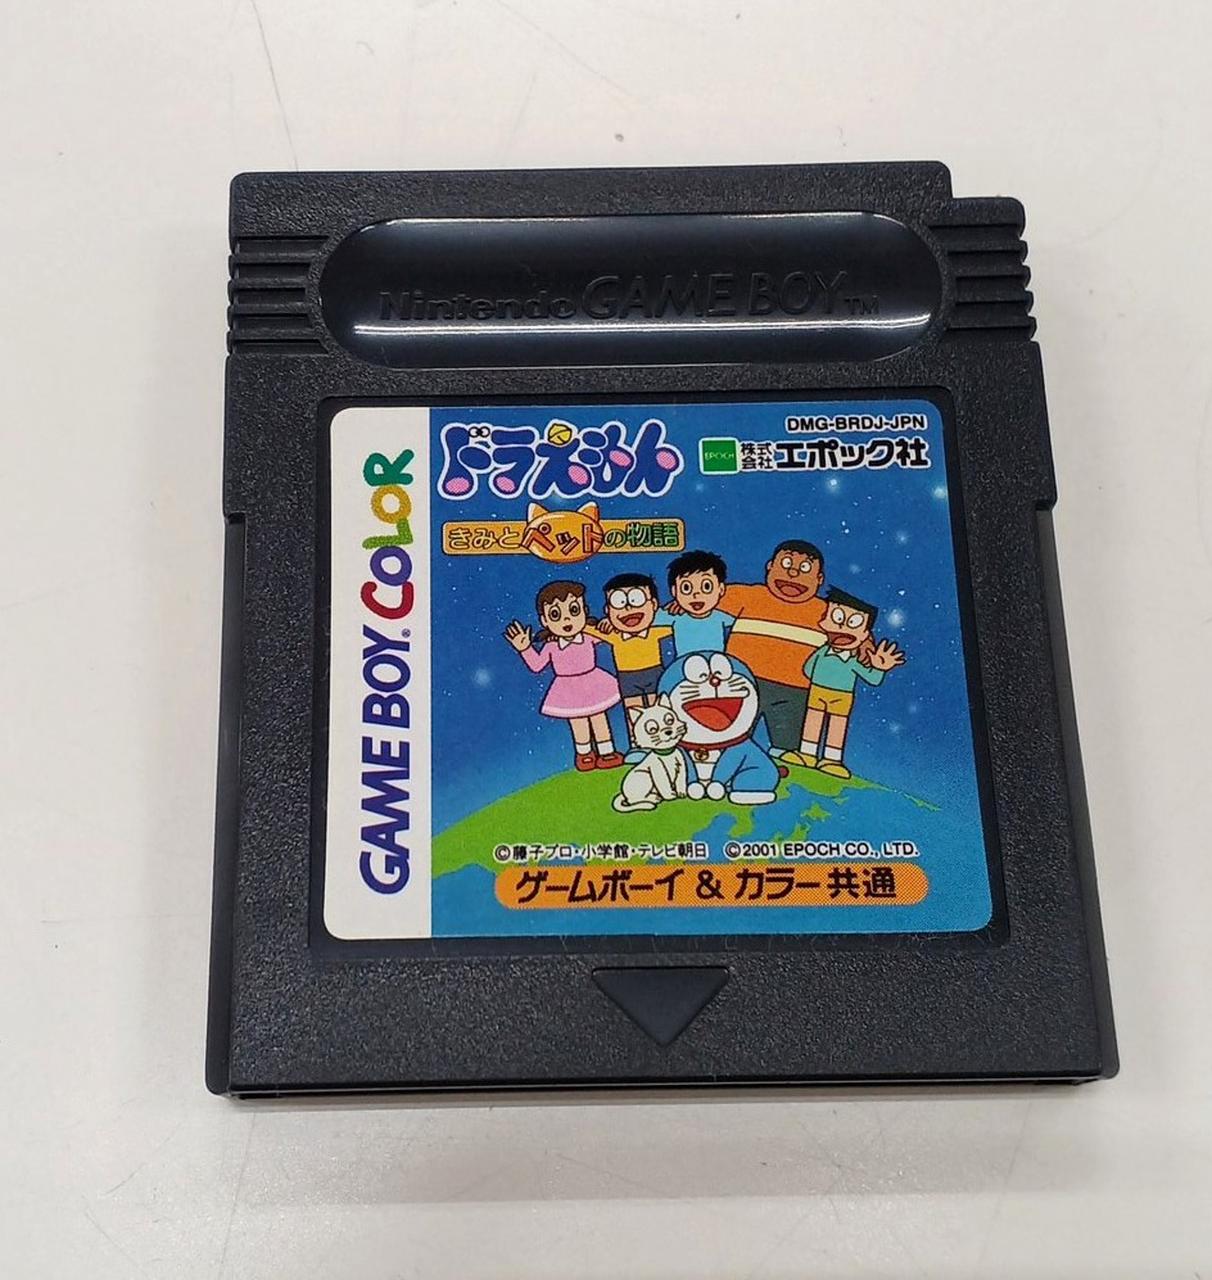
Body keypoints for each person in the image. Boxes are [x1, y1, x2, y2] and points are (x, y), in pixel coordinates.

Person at [503, 580, 624, 772]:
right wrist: (525, 648)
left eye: (574, 610)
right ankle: (584, 754)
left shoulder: (589, 636)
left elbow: (612, 638)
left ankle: (607, 751)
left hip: (593, 682)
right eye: (555, 614)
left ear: (584, 611)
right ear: (544, 621)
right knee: (578, 722)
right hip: (568, 689)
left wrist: (610, 624)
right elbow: (537, 666)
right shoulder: (551, 646)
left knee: (599, 717)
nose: (566, 619)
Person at [722, 540, 829, 756]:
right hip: (742, 682)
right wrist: (680, 605)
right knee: (728, 737)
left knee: (788, 747)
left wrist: (866, 649)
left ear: (819, 579)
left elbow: (854, 632)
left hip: (795, 689)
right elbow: (706, 598)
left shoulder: (825, 611)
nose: (793, 573)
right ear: (770, 567)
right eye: (786, 564)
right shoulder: (749, 595)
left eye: (805, 568)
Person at [789, 587, 905, 779]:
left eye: (852, 622)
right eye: (837, 617)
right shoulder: (823, 652)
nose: (842, 627)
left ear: (865, 632)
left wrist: (880, 668)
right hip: (817, 691)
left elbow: (873, 679)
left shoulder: (854, 660)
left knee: (837, 725)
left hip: (842, 696)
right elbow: (808, 669)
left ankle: (832, 759)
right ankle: (807, 754)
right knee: (813, 721)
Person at [586, 572, 672, 757]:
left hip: (655, 673)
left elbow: (675, 621)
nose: (628, 608)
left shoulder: (656, 631)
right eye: (619, 602)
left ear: (653, 605)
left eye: (636, 599)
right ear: (608, 610)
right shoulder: (614, 635)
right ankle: (638, 745)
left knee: (657, 709)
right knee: (633, 713)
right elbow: (581, 627)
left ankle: (662, 743)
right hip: (628, 679)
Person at [653, 549, 735, 655]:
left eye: (706, 586)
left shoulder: (723, 618)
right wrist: (668, 607)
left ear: (721, 589)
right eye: (686, 588)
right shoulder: (673, 615)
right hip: (682, 664)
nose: (696, 595)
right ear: (674, 591)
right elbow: (647, 619)